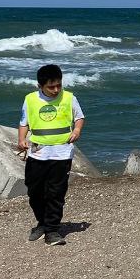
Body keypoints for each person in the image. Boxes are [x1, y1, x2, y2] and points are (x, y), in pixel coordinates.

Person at [17, 64, 85, 246]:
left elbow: (79, 117)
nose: (56, 90)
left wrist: (77, 130)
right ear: (40, 86)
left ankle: (52, 231)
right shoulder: (30, 99)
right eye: (51, 87)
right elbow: (24, 122)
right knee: (34, 191)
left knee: (55, 193)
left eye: (58, 85)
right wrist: (22, 139)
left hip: (62, 154)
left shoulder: (69, 98)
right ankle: (42, 223)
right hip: (37, 153)